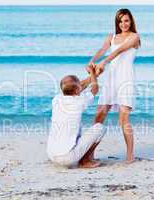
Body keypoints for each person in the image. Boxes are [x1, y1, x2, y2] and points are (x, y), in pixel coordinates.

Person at [86, 8, 140, 164]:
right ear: (117, 22)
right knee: (99, 116)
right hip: (111, 79)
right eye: (120, 21)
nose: (123, 24)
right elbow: (102, 49)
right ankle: (90, 154)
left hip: (125, 80)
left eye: (126, 20)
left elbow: (119, 51)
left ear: (131, 21)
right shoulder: (112, 36)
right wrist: (92, 61)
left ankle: (130, 156)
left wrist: (103, 62)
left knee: (123, 119)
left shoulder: (134, 37)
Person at [47, 65, 106, 168]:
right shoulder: (80, 101)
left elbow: (79, 86)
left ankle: (83, 158)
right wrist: (92, 72)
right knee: (100, 128)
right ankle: (84, 161)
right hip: (67, 158)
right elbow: (95, 89)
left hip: (52, 155)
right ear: (77, 90)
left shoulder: (57, 99)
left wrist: (95, 75)